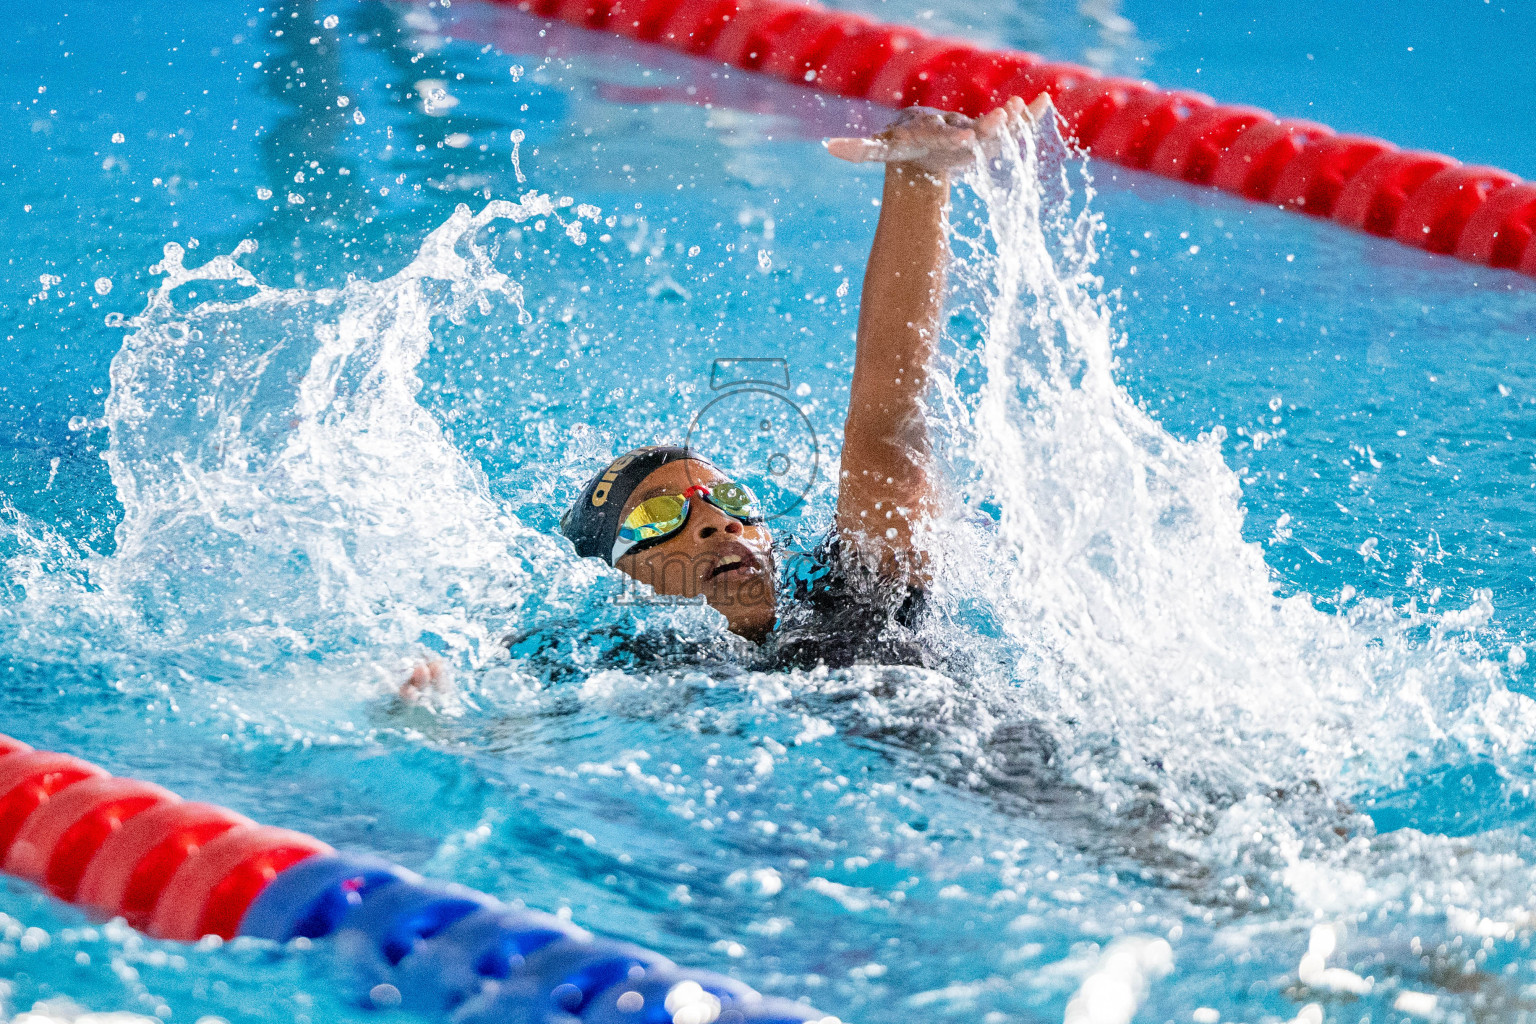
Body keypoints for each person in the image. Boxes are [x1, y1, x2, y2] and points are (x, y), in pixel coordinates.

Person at [403, 95, 1048, 698]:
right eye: (658, 518)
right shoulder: (622, 670)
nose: (719, 521)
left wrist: (919, 181)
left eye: (730, 499)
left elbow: (886, 429)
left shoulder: (857, 597)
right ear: (614, 578)